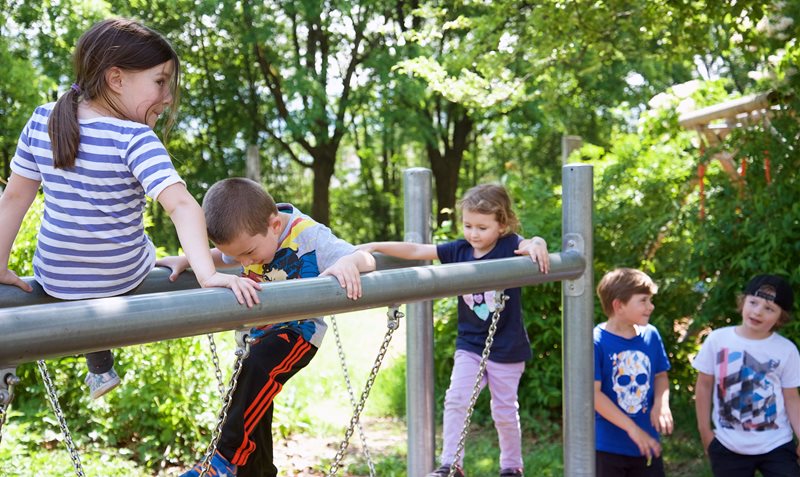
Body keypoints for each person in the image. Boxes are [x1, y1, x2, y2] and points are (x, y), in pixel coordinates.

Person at [0, 18, 260, 400]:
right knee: (138, 250)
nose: (168, 97)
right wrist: (206, 273)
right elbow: (182, 205)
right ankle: (100, 364)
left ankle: (94, 366)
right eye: (160, 82)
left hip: (56, 278)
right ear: (116, 79)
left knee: (82, 261)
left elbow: (14, 199)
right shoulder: (134, 137)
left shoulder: (43, 119)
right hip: (120, 275)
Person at [157, 177, 376, 477]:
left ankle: (223, 458)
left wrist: (348, 263)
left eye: (248, 253)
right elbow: (223, 257)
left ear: (274, 226)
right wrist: (187, 260)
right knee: (252, 410)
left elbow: (365, 257)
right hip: (257, 337)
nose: (243, 261)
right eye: (239, 257)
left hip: (296, 333)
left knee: (257, 372)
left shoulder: (308, 234)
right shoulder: (248, 238)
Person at [358, 183, 550, 477]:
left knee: (504, 411)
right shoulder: (460, 250)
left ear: (502, 224)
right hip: (470, 344)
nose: (473, 233)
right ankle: (451, 464)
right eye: (468, 225)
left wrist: (537, 243)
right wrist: (375, 246)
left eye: (482, 227)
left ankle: (512, 466)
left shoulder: (509, 245)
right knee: (456, 398)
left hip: (507, 347)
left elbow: (529, 244)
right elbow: (416, 250)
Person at [693, 274, 800, 477]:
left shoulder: (786, 350)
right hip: (728, 444)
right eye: (753, 302)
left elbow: (792, 398)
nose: (758, 312)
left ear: (781, 317)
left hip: (776, 444)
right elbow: (704, 386)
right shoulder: (717, 340)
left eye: (769, 308)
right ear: (743, 302)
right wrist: (704, 430)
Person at [594, 268, 673, 477]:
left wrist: (661, 404)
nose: (651, 307)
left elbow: (660, 376)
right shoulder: (596, 342)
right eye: (644, 301)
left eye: (650, 300)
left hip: (647, 444)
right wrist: (632, 429)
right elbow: (594, 395)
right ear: (619, 305)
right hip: (607, 448)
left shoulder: (651, 335)